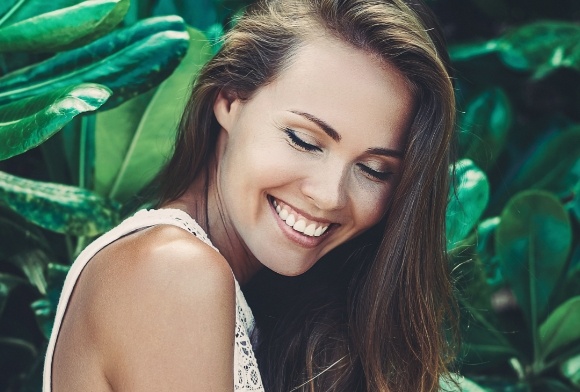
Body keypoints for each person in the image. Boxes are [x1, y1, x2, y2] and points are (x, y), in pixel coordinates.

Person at [43, 0, 457, 390]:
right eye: (304, 140)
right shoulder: (173, 271)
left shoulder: (249, 295)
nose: (330, 196)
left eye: (374, 170)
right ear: (229, 100)